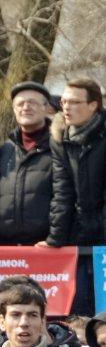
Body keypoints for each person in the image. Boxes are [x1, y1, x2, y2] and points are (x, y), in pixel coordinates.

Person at [40, 77, 106, 313]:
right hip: (78, 230)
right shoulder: (59, 137)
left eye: (74, 102)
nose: (66, 107)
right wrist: (55, 239)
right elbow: (62, 190)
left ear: (93, 105)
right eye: (63, 101)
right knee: (78, 305)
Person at [0, 82, 54, 245]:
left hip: (47, 249)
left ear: (46, 108)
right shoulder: (4, 150)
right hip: (6, 251)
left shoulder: (61, 148)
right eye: (20, 104)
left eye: (32, 102)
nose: (26, 107)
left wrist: (55, 238)